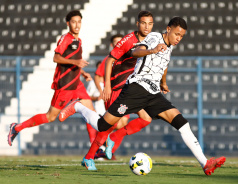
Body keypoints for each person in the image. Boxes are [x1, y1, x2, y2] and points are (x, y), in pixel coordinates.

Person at [60, 17, 226, 176]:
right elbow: (135, 51)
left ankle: (205, 163)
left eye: (181, 36)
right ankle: (78, 106)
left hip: (153, 93)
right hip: (136, 89)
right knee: (102, 125)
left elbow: (164, 64)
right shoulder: (154, 37)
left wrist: (163, 82)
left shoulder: (170, 47)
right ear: (168, 29)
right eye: (176, 34)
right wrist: (152, 50)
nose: (178, 38)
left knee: (182, 123)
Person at [59, 11, 154, 171]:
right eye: (143, 23)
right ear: (137, 24)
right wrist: (107, 87)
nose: (147, 27)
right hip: (118, 89)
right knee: (108, 125)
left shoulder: (151, 40)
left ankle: (105, 144)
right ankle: (79, 108)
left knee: (145, 119)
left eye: (150, 23)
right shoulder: (128, 41)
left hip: (131, 89)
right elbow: (109, 61)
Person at [7, 10, 98, 146]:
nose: (77, 25)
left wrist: (82, 72)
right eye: (73, 22)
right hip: (65, 85)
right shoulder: (66, 38)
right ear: (68, 23)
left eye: (79, 21)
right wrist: (76, 63)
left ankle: (95, 146)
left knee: (91, 112)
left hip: (77, 83)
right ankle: (17, 127)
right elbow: (56, 57)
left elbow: (73, 60)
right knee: (51, 117)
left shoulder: (79, 40)